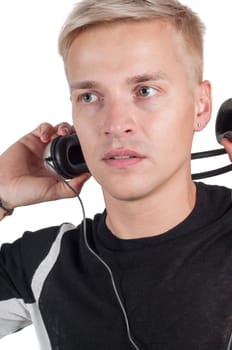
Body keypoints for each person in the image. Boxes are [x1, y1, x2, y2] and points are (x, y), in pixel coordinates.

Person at [0, 0, 232, 349]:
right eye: (90, 96)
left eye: (144, 90)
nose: (115, 124)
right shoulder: (42, 262)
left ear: (200, 106)